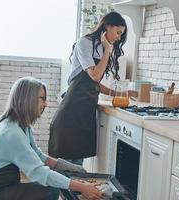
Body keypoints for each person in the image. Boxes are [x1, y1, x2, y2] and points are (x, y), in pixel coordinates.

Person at [0, 76, 102, 200]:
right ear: (28, 99)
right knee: (51, 190)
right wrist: (82, 187)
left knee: (52, 186)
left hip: (2, 185)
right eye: (42, 99)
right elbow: (39, 173)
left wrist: (75, 169)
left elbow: (38, 156)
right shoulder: (11, 132)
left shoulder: (22, 125)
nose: (46, 104)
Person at [48, 11, 137, 165]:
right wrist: (107, 51)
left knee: (77, 160)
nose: (119, 38)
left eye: (121, 34)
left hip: (86, 108)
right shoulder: (85, 43)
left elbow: (94, 84)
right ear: (107, 26)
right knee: (64, 160)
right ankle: (58, 190)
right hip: (73, 106)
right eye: (117, 32)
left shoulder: (103, 48)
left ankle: (75, 189)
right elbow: (95, 75)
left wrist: (120, 93)